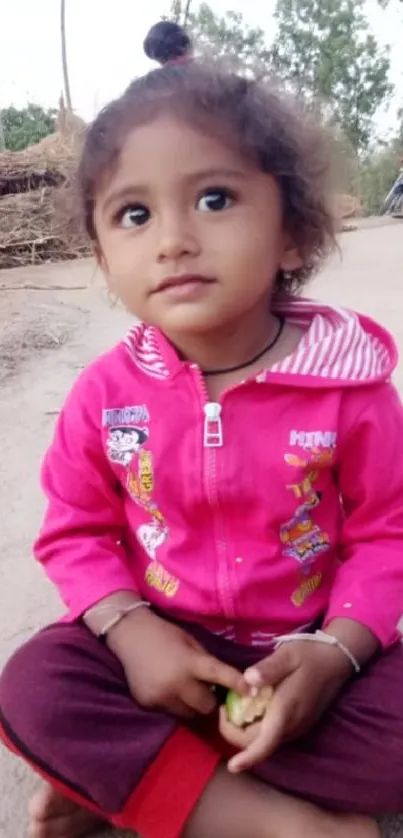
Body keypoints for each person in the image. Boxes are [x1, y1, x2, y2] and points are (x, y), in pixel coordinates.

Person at [2, 18, 403, 838]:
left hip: (309, 649)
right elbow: (75, 534)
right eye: (133, 215)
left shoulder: (350, 389)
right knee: (37, 684)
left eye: (214, 199)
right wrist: (132, 632)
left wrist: (337, 655)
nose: (175, 239)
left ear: (292, 231)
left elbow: (388, 537)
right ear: (104, 256)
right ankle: (278, 822)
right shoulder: (104, 395)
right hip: (162, 644)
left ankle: (141, 785)